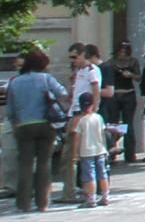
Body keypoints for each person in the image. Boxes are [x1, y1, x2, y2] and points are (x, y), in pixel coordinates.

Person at [6, 48, 69, 213]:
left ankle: (23, 203)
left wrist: (15, 125)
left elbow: (11, 110)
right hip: (45, 124)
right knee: (44, 164)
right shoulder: (46, 79)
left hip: (23, 126)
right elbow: (63, 94)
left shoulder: (15, 82)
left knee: (25, 165)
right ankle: (43, 203)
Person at [68, 88, 110, 208]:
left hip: (86, 152)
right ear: (93, 104)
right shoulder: (98, 118)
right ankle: (105, 196)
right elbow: (102, 134)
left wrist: (75, 153)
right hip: (100, 149)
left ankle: (91, 199)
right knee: (102, 174)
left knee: (89, 175)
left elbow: (77, 138)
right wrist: (105, 148)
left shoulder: (81, 121)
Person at [107, 41, 139, 164]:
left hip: (128, 93)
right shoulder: (111, 62)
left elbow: (138, 76)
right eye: (121, 50)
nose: (123, 53)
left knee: (128, 124)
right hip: (115, 94)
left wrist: (130, 74)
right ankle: (113, 152)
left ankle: (130, 154)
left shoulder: (132, 61)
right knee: (113, 124)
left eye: (125, 50)